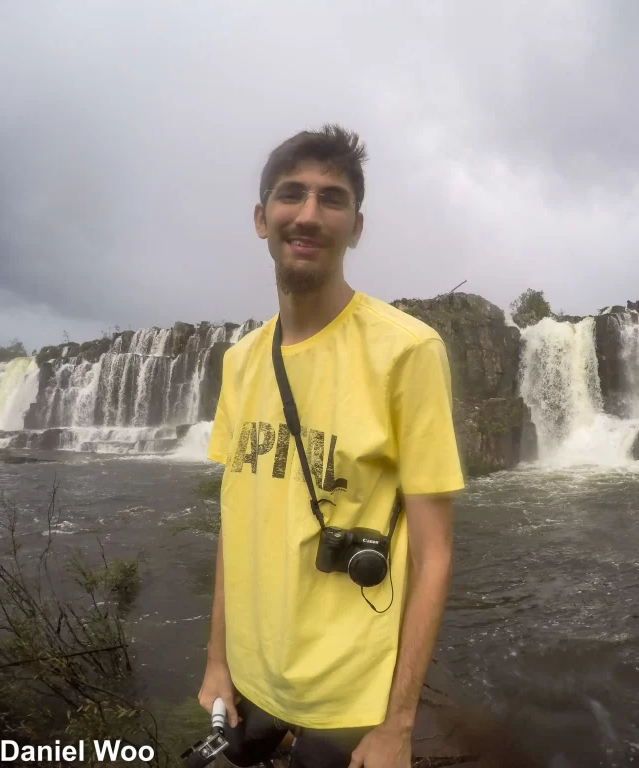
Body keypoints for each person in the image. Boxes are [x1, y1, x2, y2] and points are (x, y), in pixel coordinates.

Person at [198, 124, 464, 768]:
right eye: (292, 195)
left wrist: (399, 723)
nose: (309, 215)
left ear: (357, 225)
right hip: (250, 678)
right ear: (262, 219)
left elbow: (435, 551)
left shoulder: (407, 350)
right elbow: (237, 523)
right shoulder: (240, 361)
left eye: (332, 199)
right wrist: (216, 664)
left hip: (355, 699)